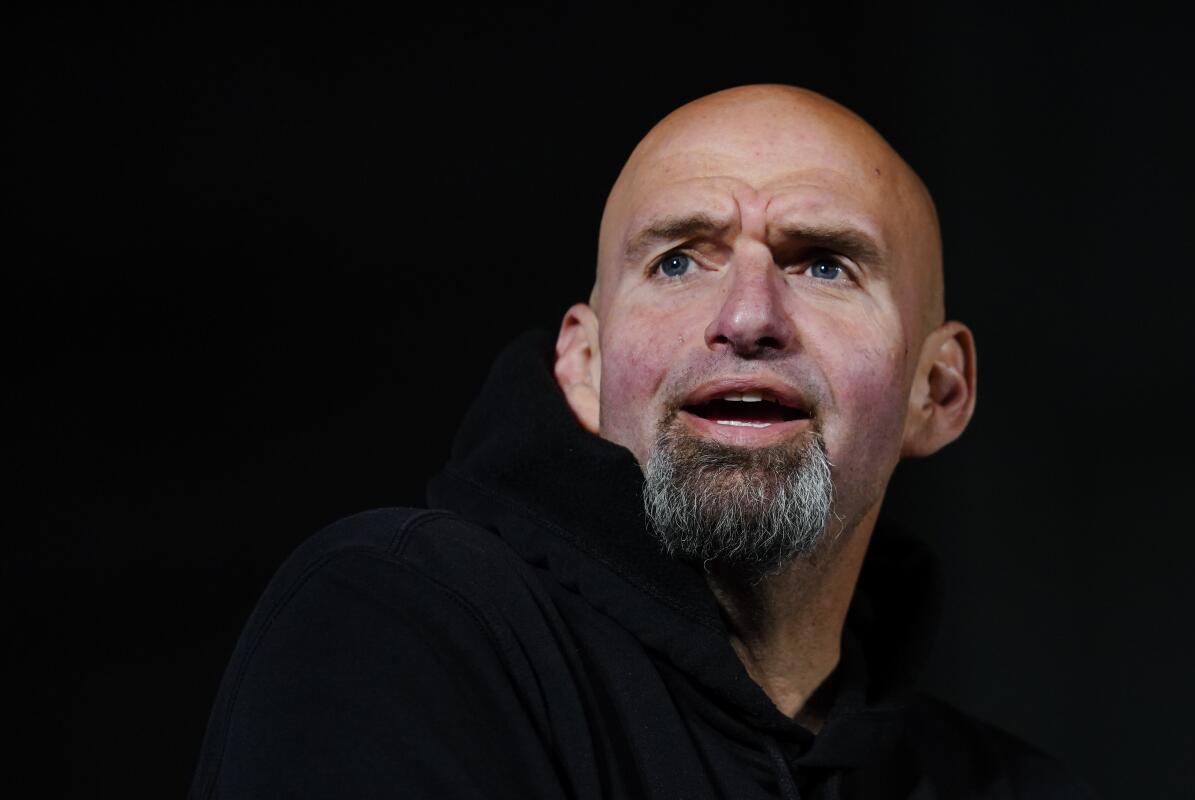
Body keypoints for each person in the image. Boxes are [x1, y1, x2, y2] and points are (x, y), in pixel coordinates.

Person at [190, 85, 1095, 798]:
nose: (747, 318)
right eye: (677, 260)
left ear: (938, 390)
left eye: (823, 263)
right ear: (581, 366)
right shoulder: (401, 625)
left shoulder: (1014, 788)